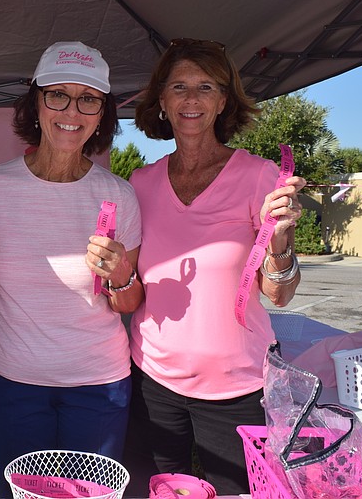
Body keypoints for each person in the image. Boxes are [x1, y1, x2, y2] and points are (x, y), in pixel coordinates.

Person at [122, 38, 307, 496]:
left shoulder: (261, 176)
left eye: (206, 86)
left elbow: (279, 294)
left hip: (237, 390)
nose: (191, 99)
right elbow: (136, 291)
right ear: (161, 100)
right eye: (179, 86)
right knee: (157, 490)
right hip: (152, 381)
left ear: (224, 101)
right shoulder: (139, 184)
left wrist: (280, 240)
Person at [0, 41, 143, 498]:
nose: (72, 110)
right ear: (36, 101)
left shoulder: (119, 195)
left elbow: (129, 302)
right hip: (12, 382)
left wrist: (122, 274)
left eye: (88, 98)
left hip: (98, 385)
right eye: (58, 95)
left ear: (102, 112)